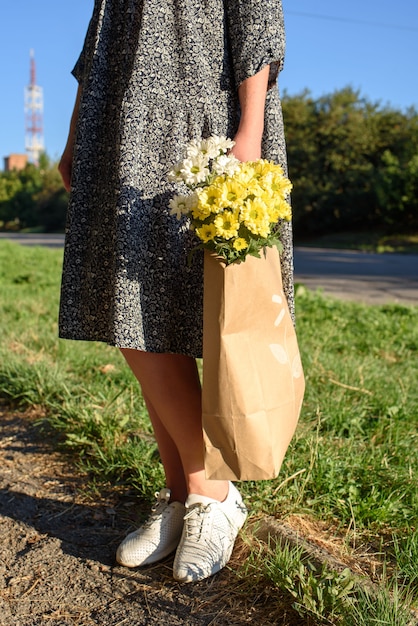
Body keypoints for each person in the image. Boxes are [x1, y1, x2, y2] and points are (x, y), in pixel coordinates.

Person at [58, 0, 294, 583]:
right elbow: (102, 33)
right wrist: (75, 130)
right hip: (118, 122)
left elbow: (257, 17)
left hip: (198, 116)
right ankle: (185, 493)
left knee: (183, 307)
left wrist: (250, 132)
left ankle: (212, 497)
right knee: (131, 311)